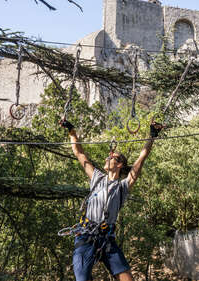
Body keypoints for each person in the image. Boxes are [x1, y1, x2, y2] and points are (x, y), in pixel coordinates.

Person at [60, 119, 163, 281]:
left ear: (120, 164)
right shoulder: (97, 178)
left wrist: (152, 136)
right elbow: (79, 153)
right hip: (86, 237)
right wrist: (72, 131)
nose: (108, 157)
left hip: (107, 240)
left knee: (127, 279)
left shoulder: (123, 187)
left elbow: (141, 159)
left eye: (112, 156)